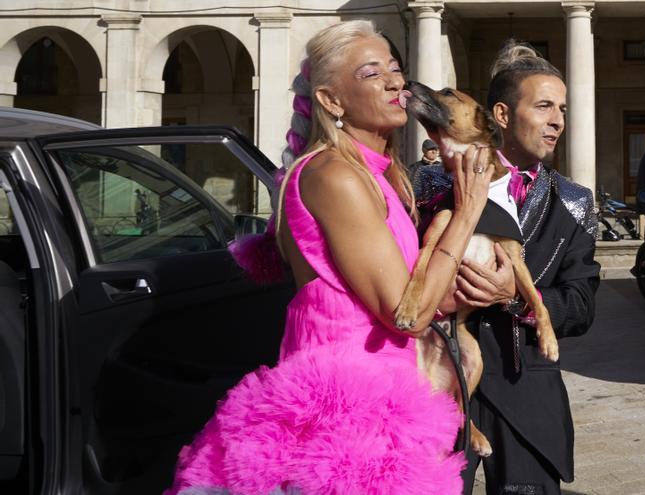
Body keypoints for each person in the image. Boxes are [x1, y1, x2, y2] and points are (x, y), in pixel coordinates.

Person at [165, 20, 492, 495]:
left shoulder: (381, 176)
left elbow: (407, 299)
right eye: (371, 73)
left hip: (391, 398)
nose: (395, 81)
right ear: (331, 101)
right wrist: (466, 214)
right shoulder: (334, 175)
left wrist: (485, 289)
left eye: (395, 69)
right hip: (344, 411)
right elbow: (408, 315)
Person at [417, 40, 601, 495]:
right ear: (501, 115)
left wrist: (514, 296)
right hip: (438, 386)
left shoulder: (575, 202)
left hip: (525, 393)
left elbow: (581, 304)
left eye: (561, 107)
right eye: (543, 106)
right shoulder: (430, 181)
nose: (557, 119)